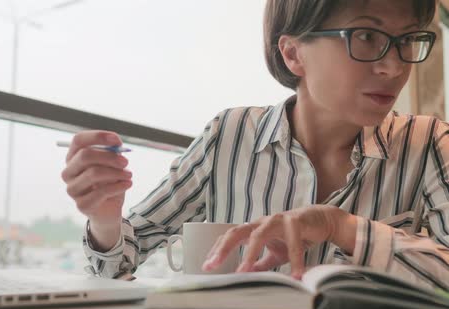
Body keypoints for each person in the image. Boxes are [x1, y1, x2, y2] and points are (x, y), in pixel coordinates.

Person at [62, 0, 449, 289]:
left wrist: (342, 228)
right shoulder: (227, 135)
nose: (395, 67)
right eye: (367, 36)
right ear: (293, 53)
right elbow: (116, 267)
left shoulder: (430, 142)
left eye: (408, 40)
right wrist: (106, 219)